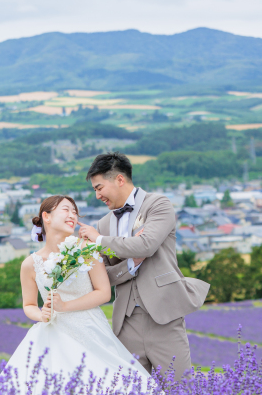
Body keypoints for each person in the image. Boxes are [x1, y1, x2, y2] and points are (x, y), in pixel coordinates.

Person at [0, 195, 151, 395]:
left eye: (75, 211)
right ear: (46, 217)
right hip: (51, 333)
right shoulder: (30, 263)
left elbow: (104, 293)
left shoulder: (87, 250)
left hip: (90, 329)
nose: (72, 215)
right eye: (66, 210)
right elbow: (29, 304)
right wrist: (42, 315)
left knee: (108, 385)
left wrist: (65, 306)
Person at [78, 152, 209, 381]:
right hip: (125, 323)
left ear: (119, 179)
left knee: (181, 392)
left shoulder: (158, 204)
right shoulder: (104, 223)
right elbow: (104, 277)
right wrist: (130, 265)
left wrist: (99, 240)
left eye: (99, 188)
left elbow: (146, 245)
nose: (97, 195)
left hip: (164, 316)